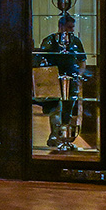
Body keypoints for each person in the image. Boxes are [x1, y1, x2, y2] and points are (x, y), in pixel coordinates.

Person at [37, 14, 88, 151]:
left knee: (68, 108)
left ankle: (66, 137)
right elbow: (42, 61)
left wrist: (79, 76)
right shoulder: (49, 41)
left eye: (73, 27)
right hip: (53, 79)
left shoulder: (75, 41)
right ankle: (55, 135)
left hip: (71, 79)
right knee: (55, 108)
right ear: (61, 26)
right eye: (69, 27)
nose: (71, 30)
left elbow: (82, 60)